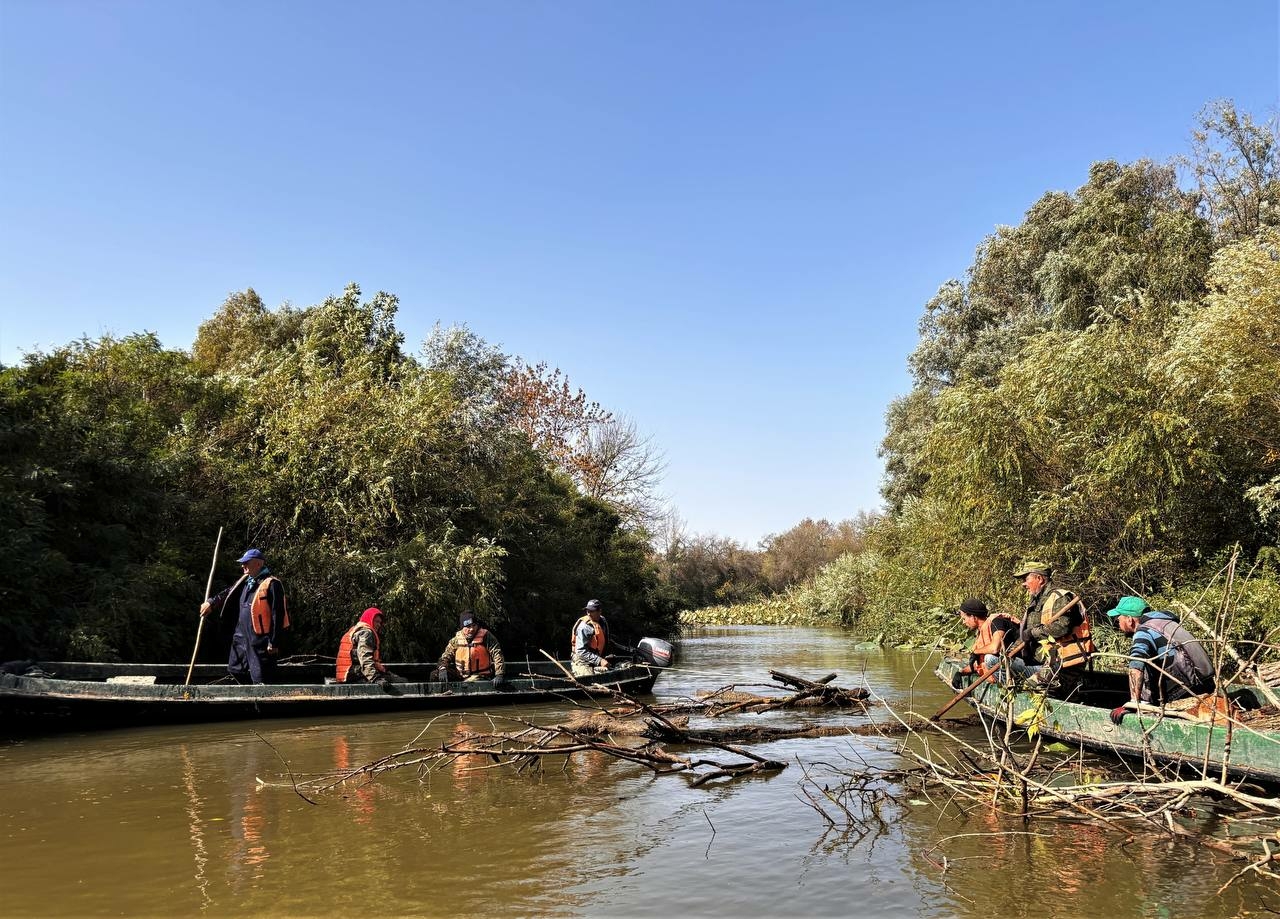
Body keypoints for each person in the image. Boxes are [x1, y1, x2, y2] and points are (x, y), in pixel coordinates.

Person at [1106, 596, 1214, 724]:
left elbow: (1136, 666)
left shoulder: (1143, 631)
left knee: (1141, 663)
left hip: (1185, 691)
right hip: (1207, 684)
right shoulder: (1168, 623)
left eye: (1119, 618)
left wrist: (1133, 704)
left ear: (1129, 619)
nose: (1118, 623)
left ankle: (1145, 704)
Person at [200, 548, 289, 684]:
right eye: (242, 563)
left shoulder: (272, 584)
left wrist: (274, 641)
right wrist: (211, 603)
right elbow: (228, 592)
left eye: (246, 562)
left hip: (260, 640)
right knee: (236, 670)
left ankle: (259, 695)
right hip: (241, 636)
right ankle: (249, 693)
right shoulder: (245, 581)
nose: (243, 565)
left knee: (262, 678)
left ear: (258, 564)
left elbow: (278, 614)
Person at [1011, 560, 1093, 696]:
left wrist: (1033, 632)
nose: (1023, 584)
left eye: (1026, 579)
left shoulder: (1060, 598)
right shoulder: (1036, 601)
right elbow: (1028, 633)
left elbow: (1061, 627)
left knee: (1029, 687)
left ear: (1039, 579)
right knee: (1001, 663)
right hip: (1044, 661)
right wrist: (1011, 651)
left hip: (1062, 664)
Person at [951, 597, 1018, 688]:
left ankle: (1009, 686)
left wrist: (976, 652)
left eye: (964, 618)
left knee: (989, 658)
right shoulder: (981, 634)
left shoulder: (997, 622)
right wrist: (961, 672)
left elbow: (994, 648)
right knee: (987, 659)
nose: (963, 622)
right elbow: (979, 665)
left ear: (973, 617)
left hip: (1025, 667)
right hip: (1007, 666)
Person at [335, 607, 404, 684]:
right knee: (401, 681)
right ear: (369, 619)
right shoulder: (366, 633)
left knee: (390, 676)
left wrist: (381, 668)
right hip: (355, 675)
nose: (379, 625)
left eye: (380, 622)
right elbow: (365, 658)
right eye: (376, 621)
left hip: (347, 674)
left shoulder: (356, 630)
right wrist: (375, 678)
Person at [436, 612, 506, 684]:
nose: (472, 629)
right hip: (460, 675)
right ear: (462, 628)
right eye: (468, 626)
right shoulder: (456, 640)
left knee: (472, 682)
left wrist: (499, 674)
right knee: (435, 675)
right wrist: (442, 668)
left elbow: (497, 653)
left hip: (481, 676)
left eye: (474, 625)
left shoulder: (486, 636)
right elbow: (446, 656)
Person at [571, 599, 613, 677]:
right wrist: (600, 660)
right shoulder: (584, 627)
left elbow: (605, 641)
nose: (589, 613)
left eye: (592, 611)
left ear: (599, 611)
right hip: (582, 661)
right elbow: (581, 651)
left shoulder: (603, 621)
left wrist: (602, 658)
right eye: (587, 611)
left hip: (595, 659)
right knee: (590, 679)